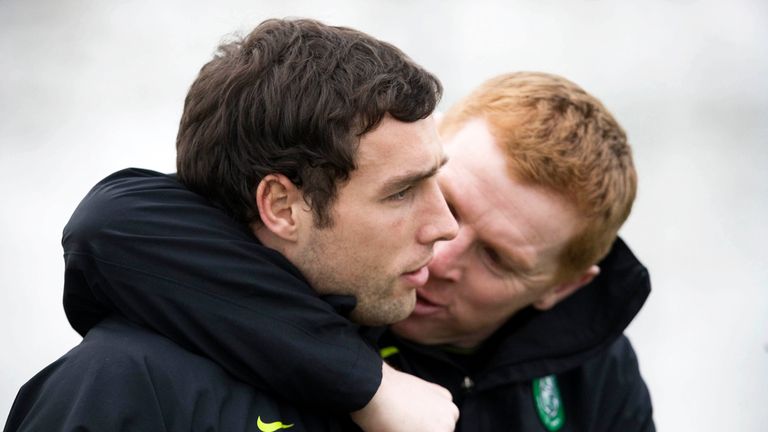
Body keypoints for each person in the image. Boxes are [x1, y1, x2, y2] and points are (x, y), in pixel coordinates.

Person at [4, 18, 460, 432]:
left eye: (436, 178)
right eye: (401, 192)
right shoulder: (125, 386)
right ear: (281, 207)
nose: (446, 225)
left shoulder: (413, 351)